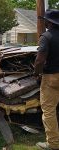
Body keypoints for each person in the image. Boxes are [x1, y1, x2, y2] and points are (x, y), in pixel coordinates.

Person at [34, 9, 59, 150]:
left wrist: (36, 74)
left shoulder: (46, 36)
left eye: (45, 20)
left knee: (49, 111)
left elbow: (39, 60)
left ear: (49, 22)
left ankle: (53, 144)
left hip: (51, 78)